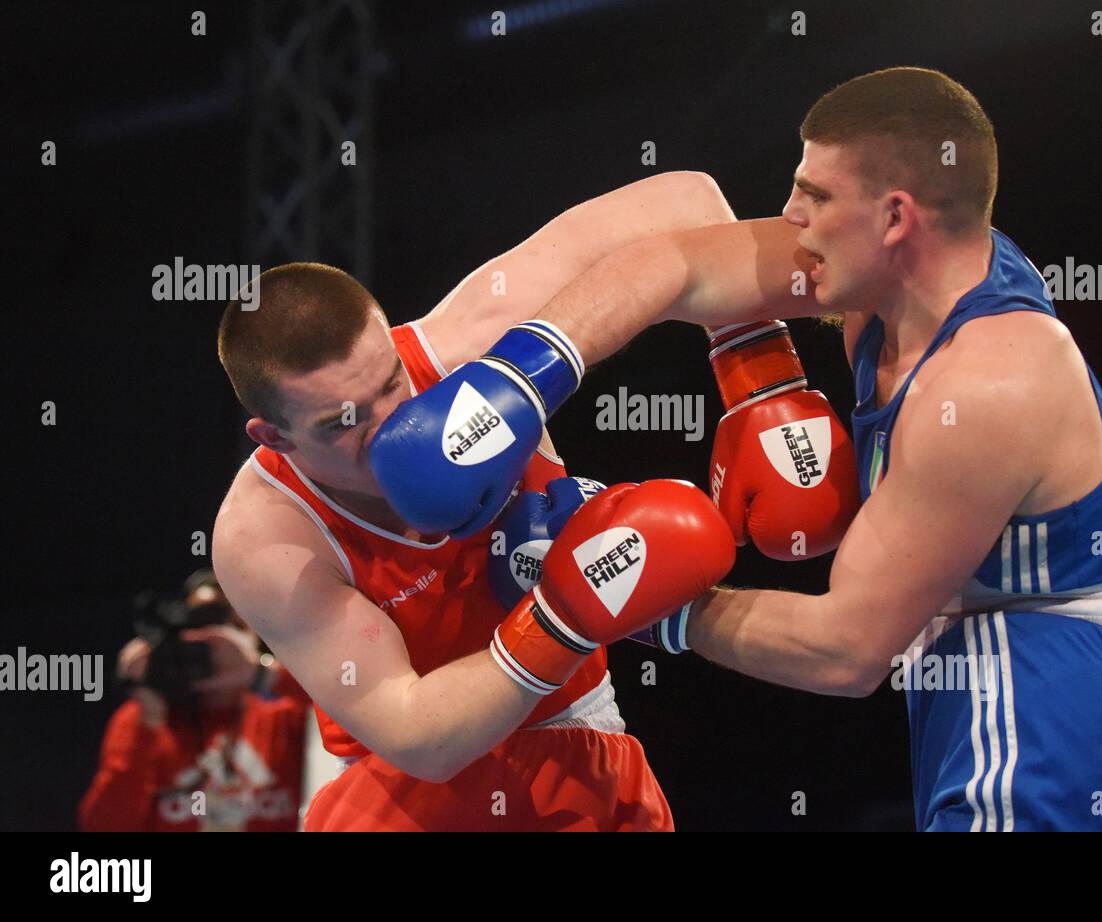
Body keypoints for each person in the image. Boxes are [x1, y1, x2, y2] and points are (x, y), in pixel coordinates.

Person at [412, 68, 1102, 831]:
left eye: (814, 196)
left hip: (1044, 734)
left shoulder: (986, 383)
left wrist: (623, 586)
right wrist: (519, 379)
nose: (790, 215)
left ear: (894, 216)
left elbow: (846, 652)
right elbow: (674, 257)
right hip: (1005, 708)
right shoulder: (903, 278)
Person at [211, 173, 737, 831]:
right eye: (342, 423)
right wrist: (568, 608)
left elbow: (686, 201)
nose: (390, 427)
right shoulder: (267, 537)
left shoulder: (467, 347)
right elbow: (420, 737)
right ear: (272, 437)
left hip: (580, 749)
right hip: (403, 800)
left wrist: (756, 372)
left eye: (391, 383)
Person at [79, 572, 309, 831]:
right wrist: (147, 713)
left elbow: (347, 710)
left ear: (254, 636)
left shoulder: (287, 717)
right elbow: (104, 827)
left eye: (234, 626)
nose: (217, 642)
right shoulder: (144, 720)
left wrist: (263, 673)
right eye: (199, 628)